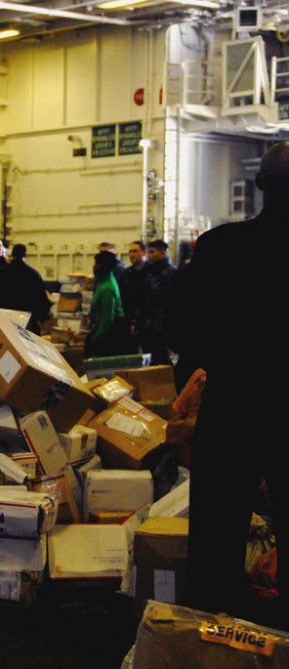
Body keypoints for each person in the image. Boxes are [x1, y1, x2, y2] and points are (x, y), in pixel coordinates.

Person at [171, 141, 287, 629]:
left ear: (258, 186)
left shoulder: (218, 246)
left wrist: (198, 380)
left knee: (216, 541)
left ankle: (207, 638)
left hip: (232, 407)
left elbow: (185, 332)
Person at [0, 244, 52, 334]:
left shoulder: (1, 273)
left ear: (12, 254)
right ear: (25, 254)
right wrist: (41, 318)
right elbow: (41, 299)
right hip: (27, 323)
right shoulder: (33, 274)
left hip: (5, 321)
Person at [133, 239, 177, 365]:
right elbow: (143, 299)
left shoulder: (171, 273)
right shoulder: (148, 272)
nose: (149, 255)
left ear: (163, 253)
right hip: (147, 325)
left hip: (161, 326)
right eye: (148, 252)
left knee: (161, 360)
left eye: (152, 252)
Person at [84, 251, 128, 357]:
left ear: (103, 266)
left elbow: (107, 320)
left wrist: (94, 339)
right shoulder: (103, 281)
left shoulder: (106, 288)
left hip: (110, 334)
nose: (93, 266)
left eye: (96, 264)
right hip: (104, 329)